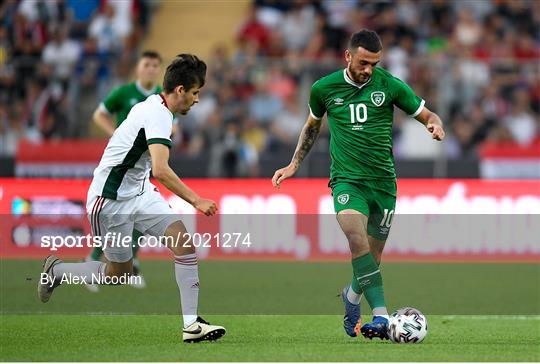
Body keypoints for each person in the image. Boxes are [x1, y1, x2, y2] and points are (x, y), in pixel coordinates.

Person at [38, 54, 226, 343]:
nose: (197, 99)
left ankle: (191, 325)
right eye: (195, 92)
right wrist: (196, 200)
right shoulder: (158, 114)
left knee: (182, 242)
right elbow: (161, 170)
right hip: (110, 200)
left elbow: (152, 168)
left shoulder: (158, 107)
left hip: (138, 192)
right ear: (180, 91)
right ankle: (58, 271)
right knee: (119, 274)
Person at [272, 29, 445, 340]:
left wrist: (435, 123)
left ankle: (351, 296)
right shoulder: (323, 89)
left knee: (371, 258)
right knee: (355, 237)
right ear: (348, 56)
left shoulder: (389, 84)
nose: (368, 70)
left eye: (374, 64)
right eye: (364, 62)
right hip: (347, 181)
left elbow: (427, 113)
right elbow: (311, 127)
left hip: (384, 184)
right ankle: (380, 317)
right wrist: (294, 163)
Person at [87, 50, 163, 291]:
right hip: (120, 165)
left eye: (154, 65)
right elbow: (99, 114)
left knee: (140, 214)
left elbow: (172, 127)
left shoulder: (163, 96)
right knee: (114, 214)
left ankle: (133, 261)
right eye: (146, 64)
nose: (150, 69)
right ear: (138, 68)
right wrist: (114, 134)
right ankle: (93, 260)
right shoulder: (125, 93)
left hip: (145, 165)